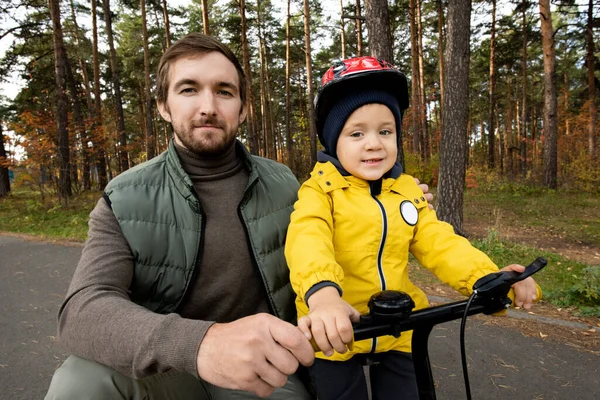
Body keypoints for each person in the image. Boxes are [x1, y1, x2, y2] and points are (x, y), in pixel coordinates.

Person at [44, 33, 433, 400]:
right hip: (167, 368)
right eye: (189, 89)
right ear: (164, 105)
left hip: (267, 371)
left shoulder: (285, 184)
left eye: (224, 91)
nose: (208, 106)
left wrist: (395, 202)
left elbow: (339, 225)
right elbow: (84, 309)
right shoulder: (125, 198)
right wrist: (202, 344)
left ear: (244, 108)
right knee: (80, 379)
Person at [285, 56, 541, 400]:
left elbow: (438, 241)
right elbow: (307, 240)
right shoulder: (320, 192)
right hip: (334, 326)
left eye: (385, 131)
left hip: (400, 326)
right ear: (333, 141)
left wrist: (485, 277)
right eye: (357, 133)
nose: (374, 143)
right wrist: (323, 297)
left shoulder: (406, 190)